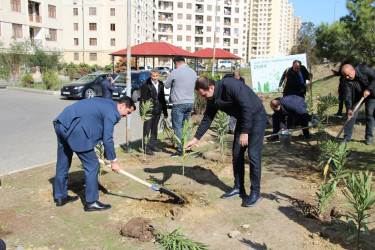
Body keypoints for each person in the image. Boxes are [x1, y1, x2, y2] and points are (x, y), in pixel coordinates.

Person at [186, 76, 266, 207]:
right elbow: (207, 118)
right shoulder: (212, 98)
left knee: (253, 154)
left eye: (205, 95)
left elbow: (246, 106)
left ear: (211, 87)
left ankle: (256, 193)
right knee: (236, 154)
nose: (204, 98)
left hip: (256, 116)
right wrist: (195, 139)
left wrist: (245, 132)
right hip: (243, 119)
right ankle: (239, 187)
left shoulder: (230, 85)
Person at [53, 96, 135, 211]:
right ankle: (91, 202)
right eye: (128, 112)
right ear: (121, 106)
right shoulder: (112, 112)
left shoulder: (107, 103)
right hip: (75, 130)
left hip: (61, 123)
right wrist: (114, 161)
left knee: (63, 161)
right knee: (92, 165)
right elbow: (108, 139)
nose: (127, 116)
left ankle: (60, 197)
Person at [164, 55, 197, 157]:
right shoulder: (193, 72)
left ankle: (180, 149)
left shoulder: (175, 72)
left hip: (179, 102)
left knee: (177, 126)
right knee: (186, 126)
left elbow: (166, 85)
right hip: (190, 102)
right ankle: (188, 147)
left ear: (176, 63)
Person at [341, 64, 375, 145]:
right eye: (345, 76)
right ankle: (347, 137)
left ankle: (369, 136)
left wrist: (368, 89)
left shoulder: (364, 69)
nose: (347, 77)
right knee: (351, 115)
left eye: (348, 75)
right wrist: (349, 108)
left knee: (370, 115)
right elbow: (347, 96)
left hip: (371, 95)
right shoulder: (346, 82)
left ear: (353, 70)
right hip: (357, 97)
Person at [140, 69, 168, 156]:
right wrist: (142, 112)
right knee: (147, 129)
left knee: (154, 129)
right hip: (149, 111)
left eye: (156, 76)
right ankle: (146, 147)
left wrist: (165, 111)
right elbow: (143, 99)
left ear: (159, 76)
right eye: (153, 76)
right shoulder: (146, 85)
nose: (155, 78)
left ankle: (152, 145)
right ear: (150, 76)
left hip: (157, 110)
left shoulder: (161, 84)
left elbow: (162, 99)